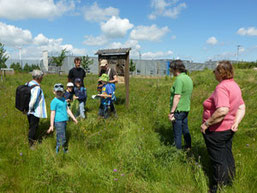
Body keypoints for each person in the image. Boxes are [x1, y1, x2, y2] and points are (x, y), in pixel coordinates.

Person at [201, 61, 245, 193]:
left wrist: (206, 123)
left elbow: (223, 110)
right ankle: (230, 181)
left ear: (220, 73)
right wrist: (236, 122)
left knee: (218, 160)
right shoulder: (234, 85)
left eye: (215, 71)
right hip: (228, 129)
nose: (213, 73)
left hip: (217, 131)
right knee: (227, 155)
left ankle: (217, 188)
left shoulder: (222, 88)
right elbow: (241, 107)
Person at [168, 60, 193, 150]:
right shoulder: (188, 78)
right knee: (185, 129)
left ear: (176, 69)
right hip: (186, 109)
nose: (170, 71)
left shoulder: (179, 79)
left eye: (171, 69)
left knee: (177, 133)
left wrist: (172, 112)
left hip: (178, 110)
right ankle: (188, 146)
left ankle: (177, 152)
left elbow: (177, 96)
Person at [47, 83, 78, 153]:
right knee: (61, 136)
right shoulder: (54, 101)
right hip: (58, 121)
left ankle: (61, 148)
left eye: (60, 92)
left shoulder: (64, 100)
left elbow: (67, 109)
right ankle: (60, 149)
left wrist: (74, 118)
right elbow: (52, 113)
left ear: (63, 92)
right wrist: (51, 125)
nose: (59, 93)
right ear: (54, 92)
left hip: (64, 120)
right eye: (57, 92)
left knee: (62, 134)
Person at [27, 70, 47, 148]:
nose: (42, 78)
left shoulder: (28, 83)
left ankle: (32, 140)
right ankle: (31, 144)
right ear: (39, 77)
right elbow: (34, 99)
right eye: (42, 76)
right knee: (34, 127)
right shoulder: (37, 87)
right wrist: (30, 108)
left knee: (31, 126)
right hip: (34, 110)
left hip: (28, 110)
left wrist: (26, 110)